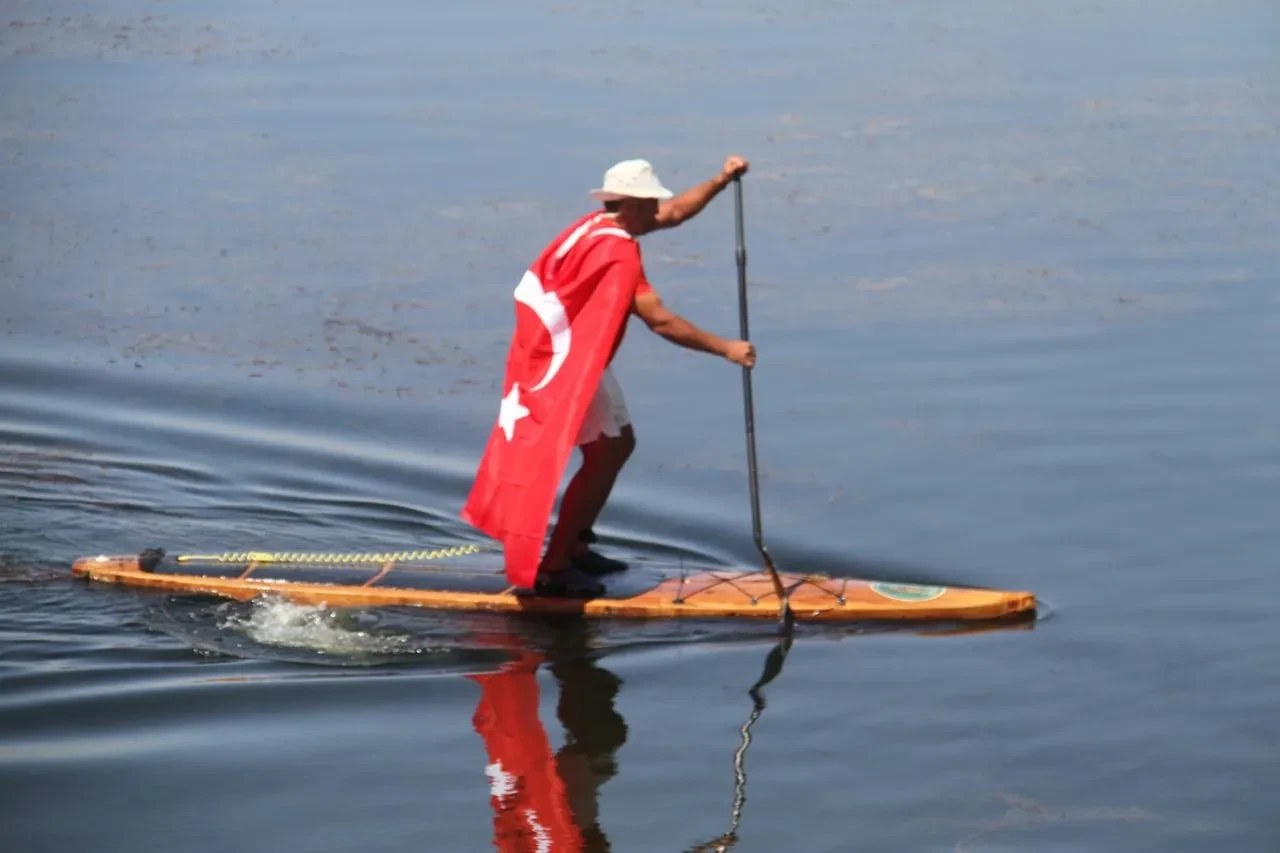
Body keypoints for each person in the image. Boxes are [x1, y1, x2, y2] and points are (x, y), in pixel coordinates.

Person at [460, 155, 755, 598]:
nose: (658, 210)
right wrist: (725, 348)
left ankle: (576, 547)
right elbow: (661, 321)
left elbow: (675, 212)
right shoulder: (616, 253)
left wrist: (722, 179)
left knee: (615, 447)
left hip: (573, 356)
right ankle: (555, 567)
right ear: (632, 204)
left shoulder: (596, 226)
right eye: (651, 203)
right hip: (566, 365)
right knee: (609, 450)